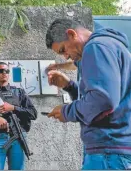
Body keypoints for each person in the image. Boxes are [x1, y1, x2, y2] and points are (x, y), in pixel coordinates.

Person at [45, 18, 131, 169]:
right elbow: (104, 97)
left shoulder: (95, 47)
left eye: (63, 50)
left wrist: (66, 111)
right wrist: (70, 86)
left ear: (71, 34)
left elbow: (103, 100)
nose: (66, 56)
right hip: (113, 150)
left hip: (108, 153)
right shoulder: (109, 45)